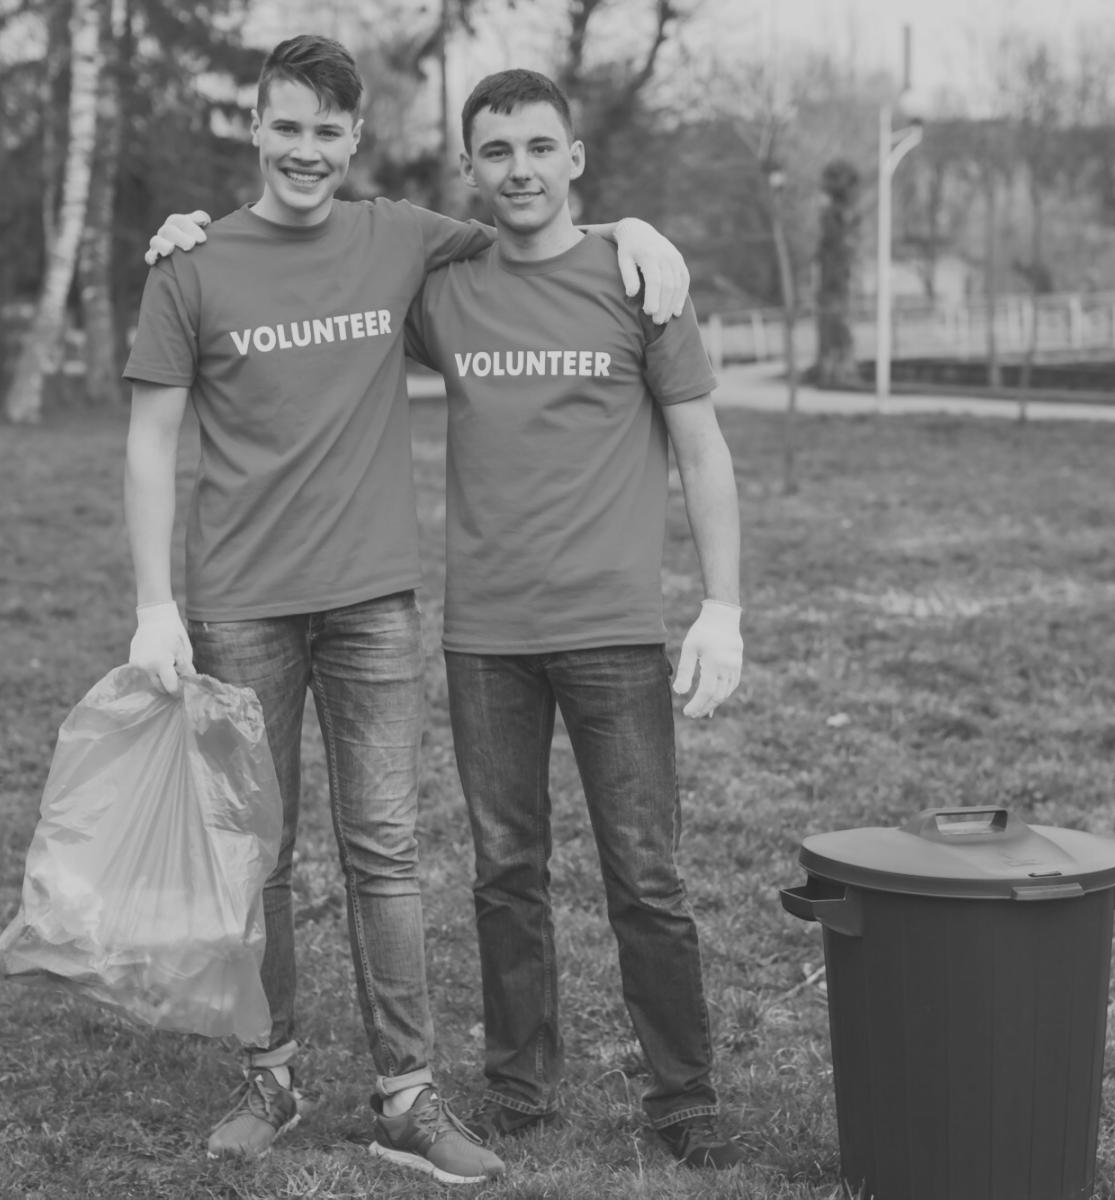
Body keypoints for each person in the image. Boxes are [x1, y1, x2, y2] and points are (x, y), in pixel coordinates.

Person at [121, 35, 687, 1183]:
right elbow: (148, 441)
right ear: (257, 131)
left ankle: (408, 1095)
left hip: (377, 600)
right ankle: (270, 1074)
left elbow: (537, 230)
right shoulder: (192, 265)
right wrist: (153, 603)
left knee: (386, 852)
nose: (308, 150)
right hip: (240, 605)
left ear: (354, 141)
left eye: (330, 132)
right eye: (288, 127)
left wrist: (635, 227)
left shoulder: (400, 238)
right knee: (259, 856)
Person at [400, 68, 747, 1170]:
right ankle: (519, 1085)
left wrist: (723, 608)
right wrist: (198, 233)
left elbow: (702, 448)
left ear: (575, 158)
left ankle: (682, 1095)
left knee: (644, 872)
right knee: (504, 872)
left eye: (540, 148)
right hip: (485, 639)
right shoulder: (444, 291)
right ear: (470, 168)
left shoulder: (637, 280)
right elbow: (318, 277)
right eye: (496, 152)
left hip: (613, 633)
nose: (520, 170)